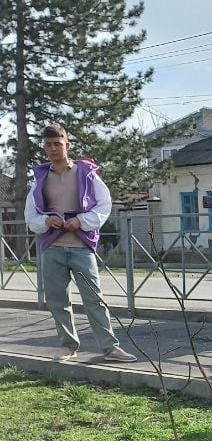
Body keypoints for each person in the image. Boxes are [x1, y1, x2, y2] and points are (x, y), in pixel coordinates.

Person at [24, 123, 136, 363]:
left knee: (94, 299)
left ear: (68, 145)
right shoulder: (39, 179)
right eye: (48, 144)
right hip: (52, 248)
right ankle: (68, 346)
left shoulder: (87, 174)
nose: (53, 148)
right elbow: (30, 217)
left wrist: (82, 220)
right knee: (57, 301)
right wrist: (47, 220)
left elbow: (104, 205)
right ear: (44, 147)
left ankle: (110, 348)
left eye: (58, 143)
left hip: (81, 248)